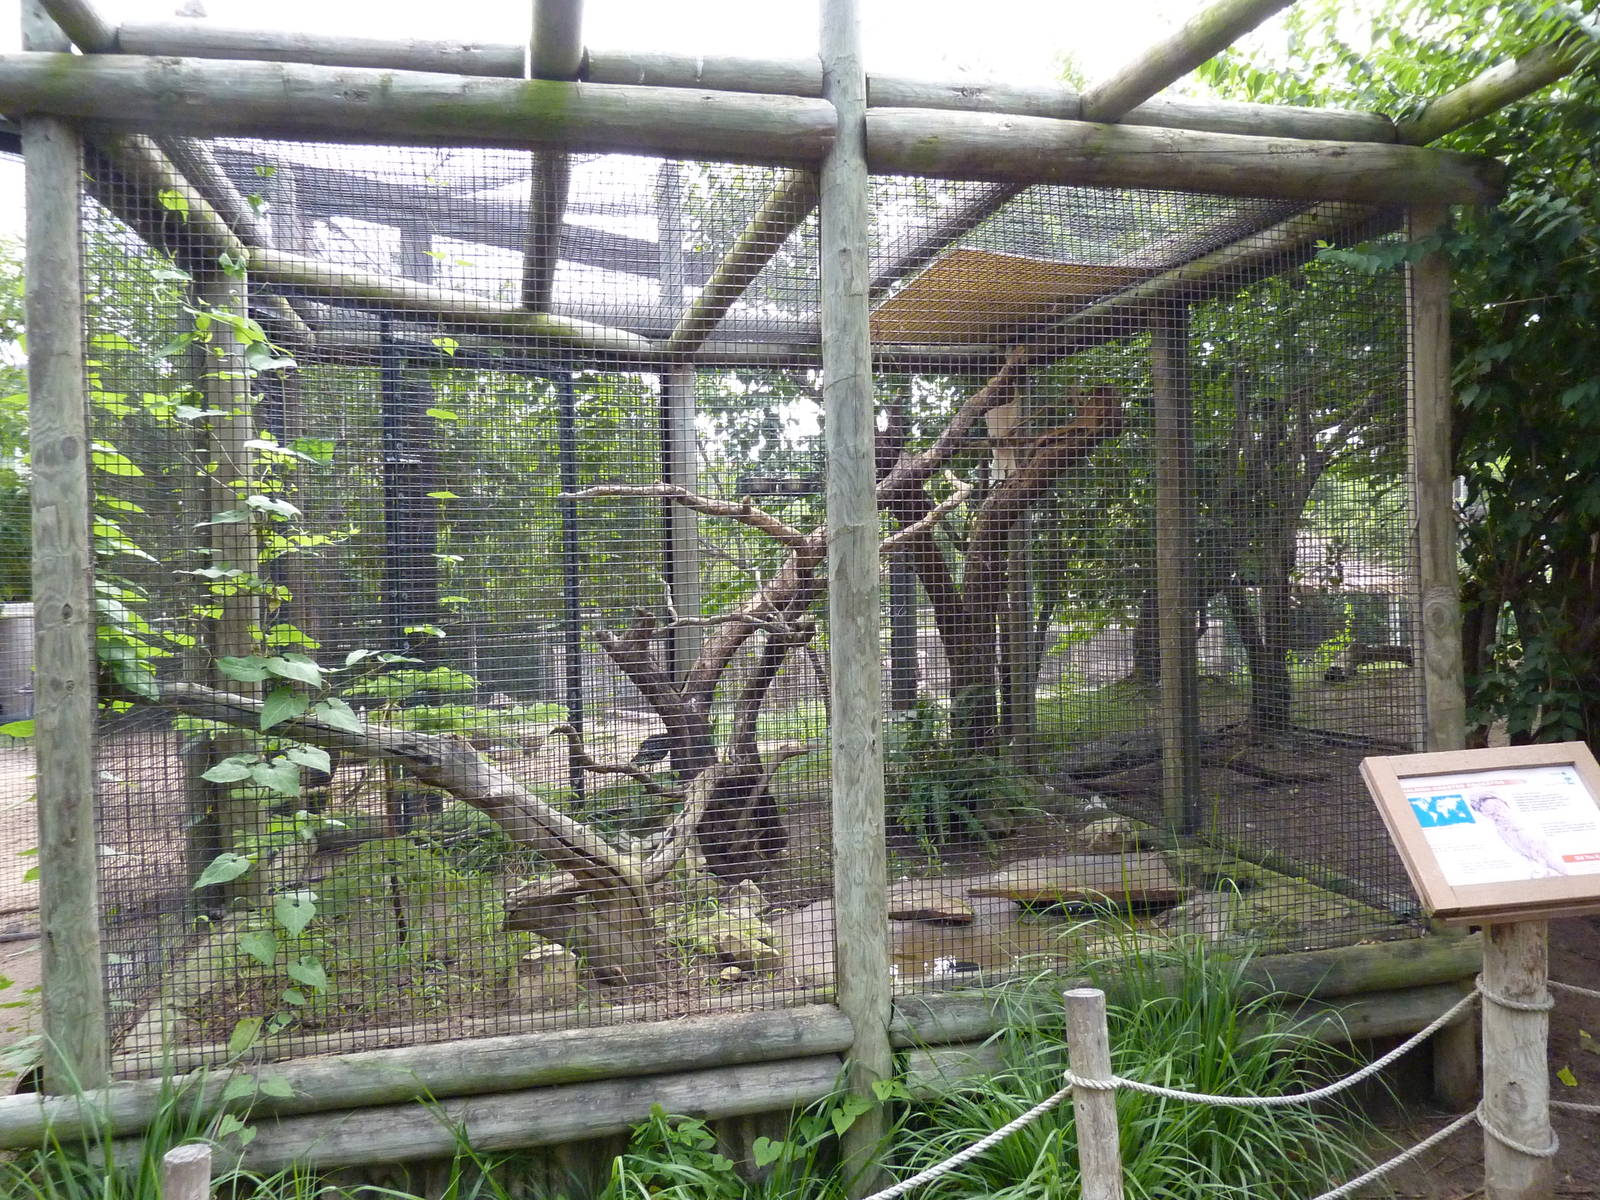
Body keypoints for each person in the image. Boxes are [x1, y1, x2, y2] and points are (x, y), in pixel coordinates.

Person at [1468, 790, 1568, 877]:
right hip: (1530, 857)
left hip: (1537, 849)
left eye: (1496, 812)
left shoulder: (1519, 824)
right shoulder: (1501, 831)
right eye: (1480, 809)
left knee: (1550, 860)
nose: (1483, 812)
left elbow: (1536, 844)